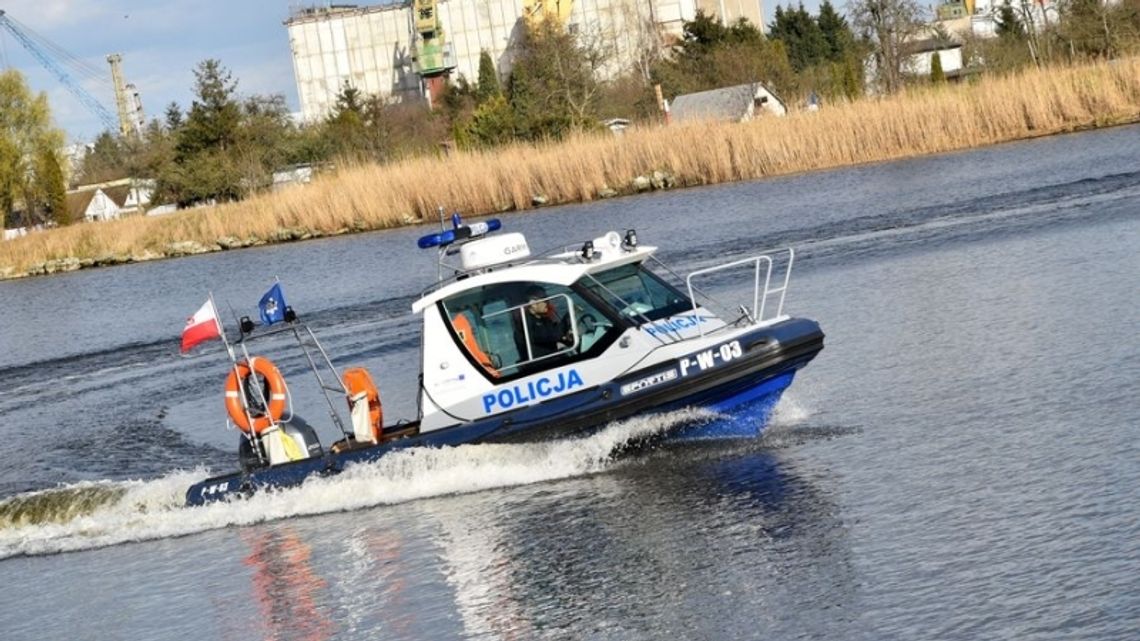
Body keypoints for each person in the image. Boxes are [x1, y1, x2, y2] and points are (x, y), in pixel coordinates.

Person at [517, 285, 569, 360]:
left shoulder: (544, 319)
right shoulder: (526, 323)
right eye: (544, 299)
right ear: (533, 304)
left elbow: (555, 334)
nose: (548, 302)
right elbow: (551, 336)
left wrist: (567, 338)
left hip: (555, 357)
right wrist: (567, 319)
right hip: (544, 364)